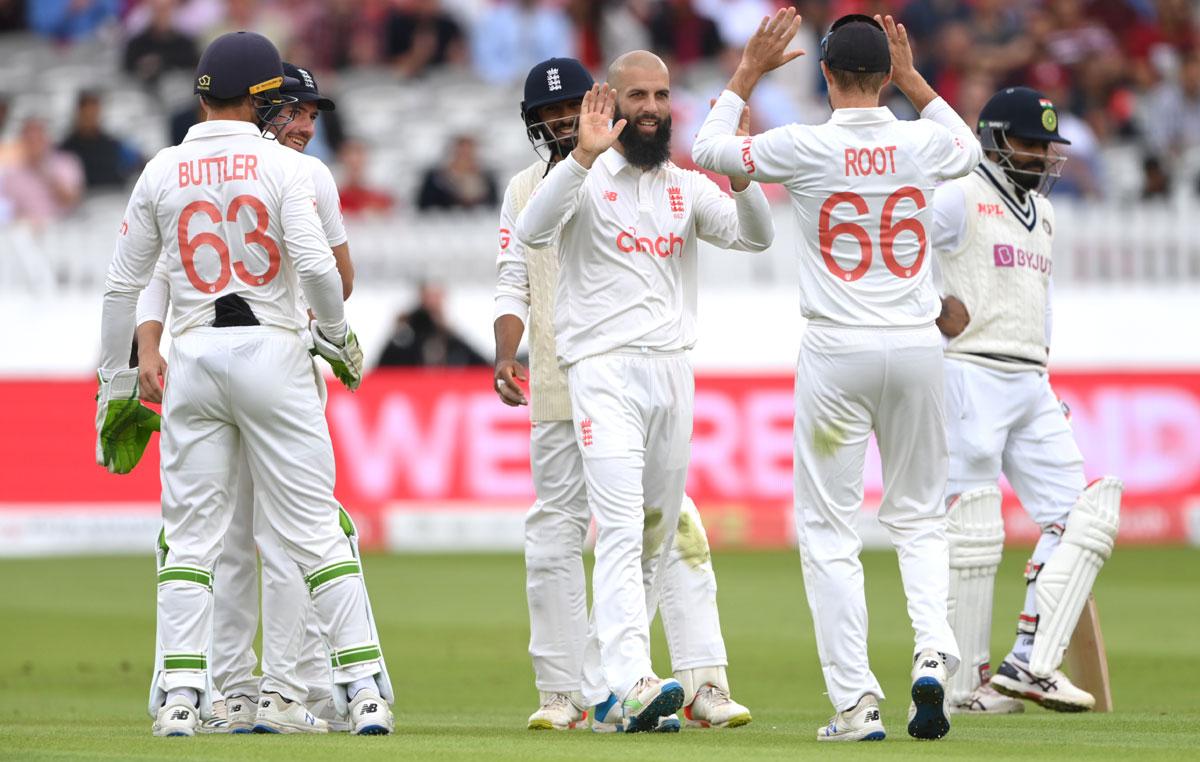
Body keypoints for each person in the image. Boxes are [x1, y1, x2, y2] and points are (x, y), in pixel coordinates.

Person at [692, 9, 982, 742]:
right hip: (916, 345)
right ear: (885, 76)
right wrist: (916, 80)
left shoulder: (802, 145)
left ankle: (856, 703)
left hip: (837, 349)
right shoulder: (921, 142)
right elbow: (968, 148)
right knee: (918, 517)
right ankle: (932, 653)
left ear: (823, 75)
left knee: (829, 532)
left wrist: (749, 73)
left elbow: (707, 149)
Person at [94, 31, 391, 737]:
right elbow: (320, 271)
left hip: (195, 356)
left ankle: (183, 699)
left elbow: (122, 284)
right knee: (313, 528)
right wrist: (337, 334)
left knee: (192, 537)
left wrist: (116, 383)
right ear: (263, 96)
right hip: (274, 352)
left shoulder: (163, 168)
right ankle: (363, 691)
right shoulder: (284, 165)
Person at [514, 52, 773, 733]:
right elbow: (533, 234)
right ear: (612, 102)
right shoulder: (583, 174)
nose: (652, 106)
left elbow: (757, 238)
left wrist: (743, 182)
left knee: (658, 533)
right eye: (638, 95)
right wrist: (579, 160)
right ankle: (629, 677)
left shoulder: (683, 185)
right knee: (623, 527)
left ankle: (608, 690)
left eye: (661, 93)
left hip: (672, 370)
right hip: (601, 370)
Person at [932, 86, 1121, 715]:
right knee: (970, 532)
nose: (1041, 156)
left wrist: (1044, 376)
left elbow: (1036, 303)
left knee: (1083, 516)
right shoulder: (959, 194)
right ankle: (964, 688)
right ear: (992, 139)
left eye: (1047, 146)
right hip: (968, 373)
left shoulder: (1047, 216)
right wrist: (931, 308)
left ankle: (1028, 661)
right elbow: (896, 250)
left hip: (1029, 378)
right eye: (1029, 143)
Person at [377, 282, 488, 367]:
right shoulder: (405, 336)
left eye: (436, 297)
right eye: (429, 297)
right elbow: (382, 368)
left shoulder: (450, 338)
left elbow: (481, 363)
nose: (433, 302)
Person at [58, 91, 143, 189]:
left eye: (94, 113)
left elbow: (139, 162)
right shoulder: (66, 149)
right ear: (79, 113)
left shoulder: (113, 146)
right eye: (87, 113)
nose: (90, 118)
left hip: (113, 198)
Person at [416, 134, 499, 211]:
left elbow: (493, 206)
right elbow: (424, 207)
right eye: (461, 153)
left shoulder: (487, 180)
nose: (465, 158)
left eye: (468, 153)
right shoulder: (435, 180)